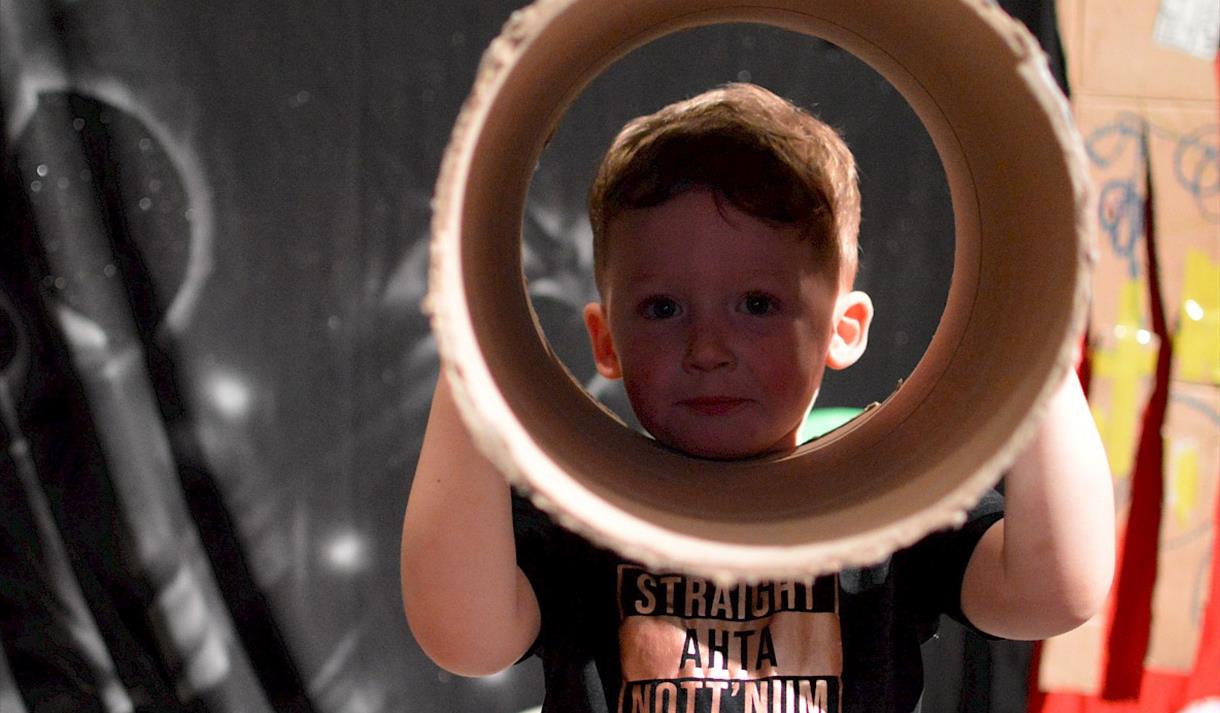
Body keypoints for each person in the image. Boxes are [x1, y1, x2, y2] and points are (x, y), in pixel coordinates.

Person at [401, 83, 1114, 712]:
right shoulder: (584, 514)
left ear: (844, 328)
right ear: (606, 338)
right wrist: (473, 340)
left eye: (756, 303)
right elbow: (463, 636)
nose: (708, 348)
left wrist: (1031, 321)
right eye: (662, 309)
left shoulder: (889, 500)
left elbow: (1054, 591)